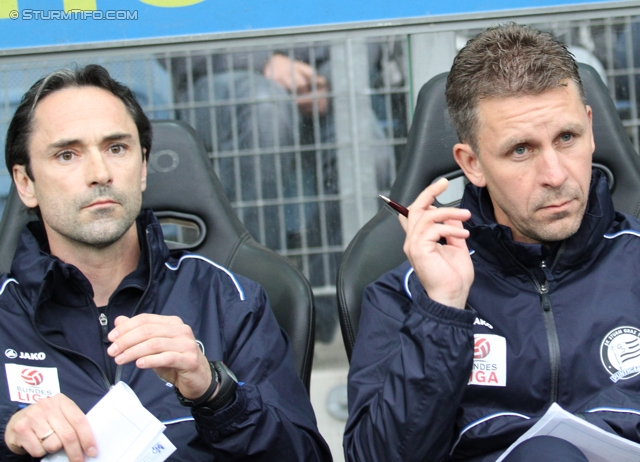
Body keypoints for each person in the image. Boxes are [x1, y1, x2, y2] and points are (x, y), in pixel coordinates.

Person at [0, 65, 331, 461]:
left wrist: (216, 393)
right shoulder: (5, 316)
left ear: (142, 168)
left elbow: (305, 456)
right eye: (67, 154)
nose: (100, 173)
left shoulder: (226, 299)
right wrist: (7, 433)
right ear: (25, 183)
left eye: (116, 148)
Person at [344, 23, 640, 461]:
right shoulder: (406, 295)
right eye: (521, 149)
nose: (556, 176)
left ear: (591, 130)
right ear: (472, 163)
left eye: (567, 137)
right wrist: (443, 311)